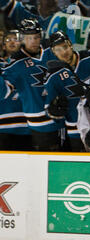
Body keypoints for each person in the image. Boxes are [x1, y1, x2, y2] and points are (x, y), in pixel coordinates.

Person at [0, 18, 64, 151]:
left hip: (64, 120)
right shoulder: (15, 64)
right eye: (29, 38)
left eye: (36, 37)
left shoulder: (52, 51)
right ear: (22, 39)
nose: (33, 41)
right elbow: (3, 92)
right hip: (39, 125)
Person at [44, 30, 90, 151]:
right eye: (58, 49)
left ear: (70, 44)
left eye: (65, 46)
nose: (63, 52)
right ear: (53, 51)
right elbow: (49, 110)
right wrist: (55, 109)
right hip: (75, 129)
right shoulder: (53, 76)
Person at [0, 29, 31, 151]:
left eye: (16, 39)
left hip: (29, 125)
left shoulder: (32, 64)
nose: (12, 42)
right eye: (8, 39)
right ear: (3, 45)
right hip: (2, 127)